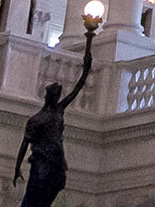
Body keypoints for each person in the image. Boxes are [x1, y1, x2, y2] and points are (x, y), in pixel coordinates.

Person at [14, 15, 95, 207]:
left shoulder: (59, 110)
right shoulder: (37, 119)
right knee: (36, 197)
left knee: (50, 194)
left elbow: (80, 83)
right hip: (42, 161)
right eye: (56, 94)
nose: (58, 97)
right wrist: (17, 168)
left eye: (59, 94)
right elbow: (25, 145)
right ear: (49, 96)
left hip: (56, 161)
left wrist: (89, 44)